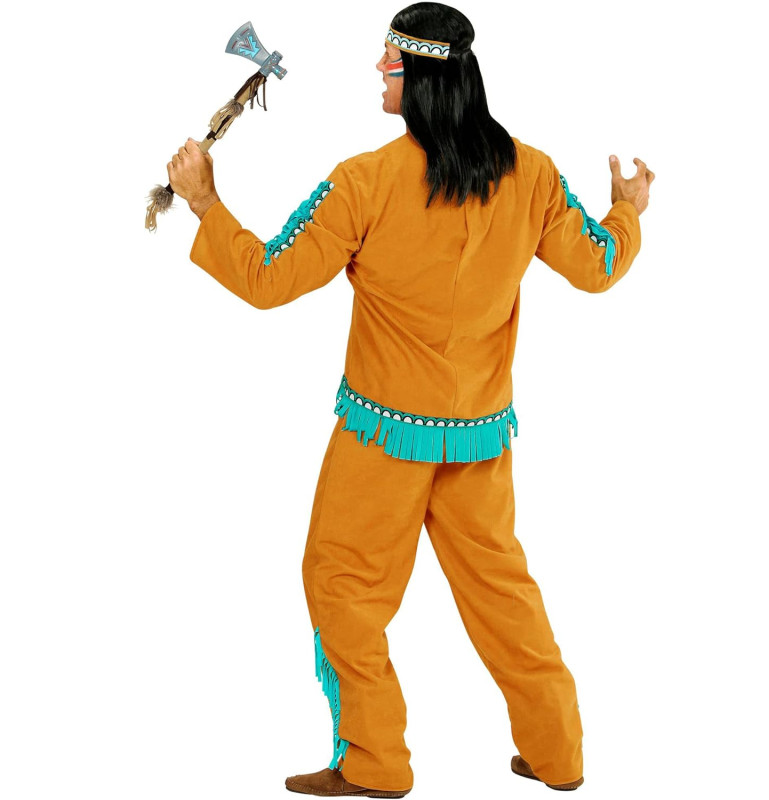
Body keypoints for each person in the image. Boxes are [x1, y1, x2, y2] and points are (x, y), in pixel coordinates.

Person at [167, 2, 654, 796]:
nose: (377, 71)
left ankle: (374, 762)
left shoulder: (365, 182)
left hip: (381, 441)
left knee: (342, 585)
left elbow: (267, 279)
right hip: (479, 440)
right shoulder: (531, 173)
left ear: (420, 77)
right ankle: (558, 753)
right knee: (502, 593)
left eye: (388, 62)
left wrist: (205, 204)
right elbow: (598, 264)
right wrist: (626, 211)